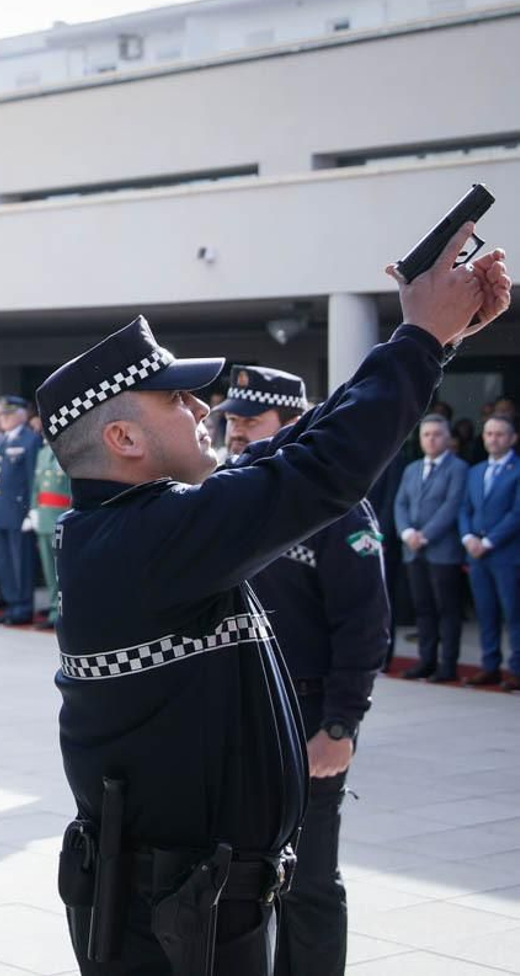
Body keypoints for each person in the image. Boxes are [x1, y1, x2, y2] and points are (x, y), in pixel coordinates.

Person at [43, 226, 507, 975]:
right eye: (179, 398)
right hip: (178, 919)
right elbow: (315, 471)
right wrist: (420, 336)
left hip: (194, 902)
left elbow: (293, 451)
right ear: (124, 436)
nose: (205, 411)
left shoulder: (134, 525)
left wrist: (428, 340)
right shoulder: (149, 536)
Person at [218, 365, 391, 976]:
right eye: (232, 421)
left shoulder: (339, 507)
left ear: (291, 424)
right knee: (243, 875)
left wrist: (340, 725)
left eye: (250, 421)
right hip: (239, 712)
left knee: (309, 879)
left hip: (308, 711)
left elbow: (365, 626)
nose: (236, 433)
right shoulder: (229, 489)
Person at [393, 414, 469, 681]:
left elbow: (452, 505)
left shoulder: (458, 468)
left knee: (447, 610)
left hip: (442, 550)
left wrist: (424, 535)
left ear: (448, 438)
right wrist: (407, 532)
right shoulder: (412, 468)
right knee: (423, 609)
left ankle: (447, 665)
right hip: (413, 550)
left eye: (437, 434)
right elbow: (400, 504)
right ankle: (426, 661)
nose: (431, 439)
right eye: (426, 434)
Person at [459, 414, 520, 689]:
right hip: (477, 554)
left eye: (499, 434)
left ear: (513, 438)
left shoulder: (517, 470)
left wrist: (489, 542)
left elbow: (516, 513)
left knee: (513, 613)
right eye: (489, 434)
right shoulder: (475, 471)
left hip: (506, 555)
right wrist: (468, 537)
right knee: (486, 612)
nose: (493, 439)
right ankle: (490, 666)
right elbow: (465, 509)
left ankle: (517, 669)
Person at [0, 395, 42, 625]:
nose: (5, 418)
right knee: (5, 562)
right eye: (3, 415)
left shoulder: (30, 440)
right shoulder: (1, 440)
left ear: (23, 415)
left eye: (10, 414)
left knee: (21, 561)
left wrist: (32, 510)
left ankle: (23, 606)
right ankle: (11, 604)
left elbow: (33, 478)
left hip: (18, 511)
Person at [28, 438, 72, 630]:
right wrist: (33, 509)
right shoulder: (43, 452)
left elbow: (73, 490)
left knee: (61, 571)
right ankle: (54, 610)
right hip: (44, 517)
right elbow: (36, 484)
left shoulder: (68, 451)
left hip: (61, 517)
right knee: (48, 569)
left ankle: (66, 613)